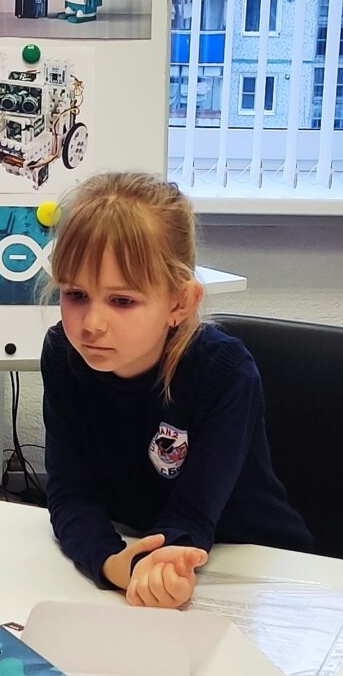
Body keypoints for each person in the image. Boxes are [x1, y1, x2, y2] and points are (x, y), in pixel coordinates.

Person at [38, 173, 309, 607]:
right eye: (76, 295)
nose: (92, 324)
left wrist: (155, 566)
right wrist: (112, 563)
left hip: (256, 571)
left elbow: (193, 515)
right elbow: (70, 494)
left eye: (122, 301)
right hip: (143, 554)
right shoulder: (63, 356)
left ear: (180, 303)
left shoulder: (224, 372)